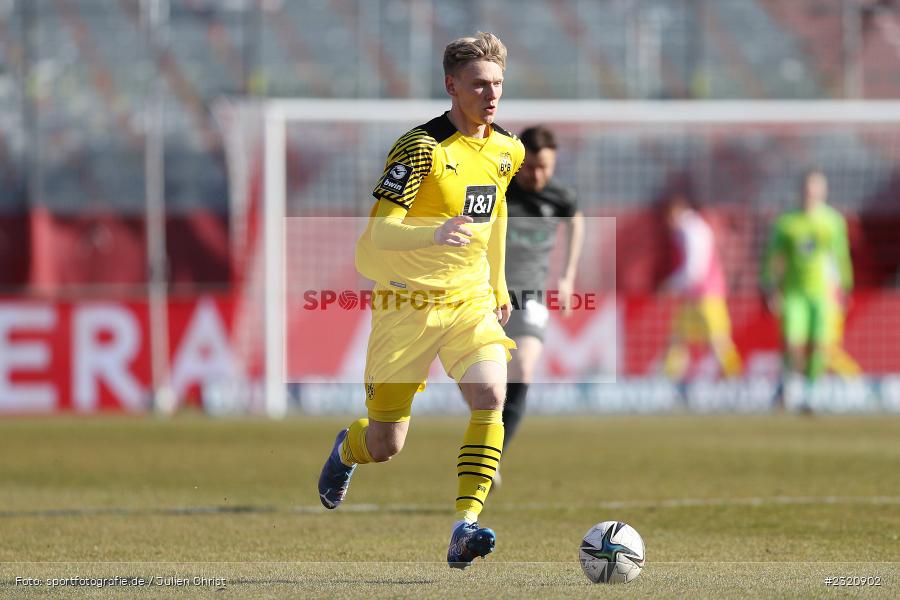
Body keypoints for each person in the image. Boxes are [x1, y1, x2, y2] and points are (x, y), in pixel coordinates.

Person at [316, 32, 524, 570]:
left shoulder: (508, 149)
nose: (491, 94)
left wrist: (498, 284)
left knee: (491, 395)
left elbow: (496, 215)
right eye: (480, 84)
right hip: (405, 308)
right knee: (385, 443)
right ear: (451, 85)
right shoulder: (421, 147)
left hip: (468, 302)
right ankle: (346, 450)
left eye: (498, 83)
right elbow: (378, 234)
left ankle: (465, 525)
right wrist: (430, 234)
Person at [500, 125, 583, 465]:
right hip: (486, 293)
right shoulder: (498, 189)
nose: (537, 174)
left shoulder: (559, 196)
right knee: (483, 385)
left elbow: (576, 221)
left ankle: (492, 459)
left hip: (530, 295)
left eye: (544, 167)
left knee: (523, 366)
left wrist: (567, 276)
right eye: (531, 166)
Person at [761, 169, 854, 404]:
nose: (811, 193)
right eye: (807, 188)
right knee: (792, 342)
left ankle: (811, 394)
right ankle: (786, 383)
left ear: (823, 191)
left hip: (823, 294)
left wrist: (845, 286)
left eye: (816, 188)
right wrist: (770, 285)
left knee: (819, 345)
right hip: (794, 292)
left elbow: (840, 256)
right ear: (800, 190)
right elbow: (773, 256)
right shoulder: (786, 222)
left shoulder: (832, 221)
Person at [661, 193, 742, 383]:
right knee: (677, 339)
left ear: (675, 212)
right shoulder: (689, 230)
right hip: (695, 296)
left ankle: (736, 379)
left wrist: (671, 285)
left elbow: (694, 270)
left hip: (707, 295)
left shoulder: (692, 230)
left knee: (718, 341)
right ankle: (670, 380)